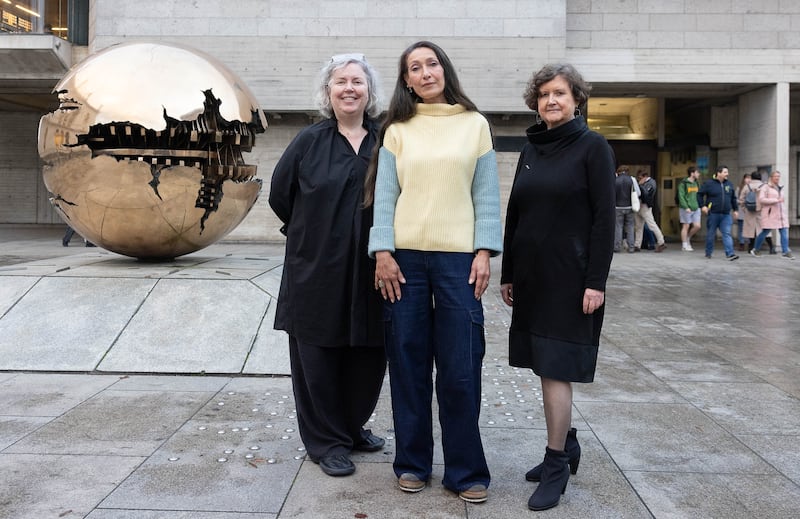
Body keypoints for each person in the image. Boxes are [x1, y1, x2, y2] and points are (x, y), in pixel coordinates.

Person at [365, 41, 502, 504]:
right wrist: (382, 250)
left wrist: (485, 251)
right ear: (406, 80)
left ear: (445, 69)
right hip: (403, 260)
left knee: (461, 367)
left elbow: (486, 195)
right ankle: (412, 463)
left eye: (432, 64)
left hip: (458, 261)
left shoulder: (475, 125)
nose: (426, 73)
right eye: (415, 68)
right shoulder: (398, 129)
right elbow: (385, 195)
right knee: (407, 363)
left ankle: (466, 470)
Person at [500, 63, 615, 511]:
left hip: (571, 281)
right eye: (545, 94)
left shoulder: (593, 147)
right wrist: (509, 271)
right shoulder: (533, 148)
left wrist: (595, 282)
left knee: (554, 368)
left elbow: (605, 219)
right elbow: (516, 212)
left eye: (561, 93)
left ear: (576, 100)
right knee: (541, 364)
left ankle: (554, 465)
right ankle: (566, 443)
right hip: (533, 278)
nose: (552, 100)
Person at [269, 53, 387, 478]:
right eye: (341, 82)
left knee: (369, 354)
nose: (349, 88)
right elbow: (280, 196)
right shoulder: (309, 141)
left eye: (357, 81)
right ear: (328, 92)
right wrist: (312, 234)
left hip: (374, 269)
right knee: (317, 357)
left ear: (369, 91)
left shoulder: (386, 139)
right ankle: (327, 441)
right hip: (316, 268)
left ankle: (352, 428)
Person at [697, 165, 739, 260]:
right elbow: (699, 194)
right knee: (711, 234)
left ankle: (730, 253)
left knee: (727, 233)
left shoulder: (729, 184)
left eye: (727, 172)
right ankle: (708, 252)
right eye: (725, 172)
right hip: (713, 213)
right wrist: (702, 206)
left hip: (726, 214)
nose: (727, 174)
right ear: (718, 173)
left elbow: (733, 198)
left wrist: (735, 210)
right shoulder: (709, 184)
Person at [750, 170, 794, 259]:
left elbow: (781, 200)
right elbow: (761, 199)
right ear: (771, 177)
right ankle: (756, 249)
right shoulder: (766, 187)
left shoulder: (780, 187)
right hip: (770, 213)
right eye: (776, 176)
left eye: (779, 176)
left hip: (781, 214)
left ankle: (785, 251)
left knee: (784, 231)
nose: (777, 178)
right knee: (765, 232)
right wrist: (775, 200)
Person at [634, 170, 667, 252]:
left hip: (645, 206)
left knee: (651, 224)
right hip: (639, 205)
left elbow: (646, 194)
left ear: (644, 177)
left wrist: (640, 186)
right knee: (638, 226)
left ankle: (661, 242)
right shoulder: (646, 183)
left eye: (640, 178)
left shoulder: (651, 183)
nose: (639, 179)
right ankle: (637, 245)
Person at [614, 166, 639, 253]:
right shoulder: (632, 179)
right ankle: (631, 247)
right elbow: (638, 192)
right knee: (630, 227)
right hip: (629, 206)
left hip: (617, 207)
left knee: (618, 226)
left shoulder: (615, 180)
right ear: (627, 171)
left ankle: (617, 247)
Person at [677, 166, 701, 251]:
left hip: (696, 207)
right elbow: (681, 196)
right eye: (697, 172)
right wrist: (685, 207)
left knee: (697, 226)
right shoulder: (683, 183)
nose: (699, 174)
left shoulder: (696, 183)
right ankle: (684, 244)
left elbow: (698, 195)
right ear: (692, 173)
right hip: (686, 208)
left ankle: (688, 237)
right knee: (686, 225)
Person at [735, 173, 751, 251]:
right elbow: (735, 199)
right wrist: (741, 201)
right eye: (747, 178)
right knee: (741, 228)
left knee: (749, 228)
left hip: (750, 211)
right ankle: (741, 243)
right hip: (741, 210)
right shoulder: (739, 188)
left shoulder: (752, 188)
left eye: (750, 178)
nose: (748, 180)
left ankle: (749, 242)